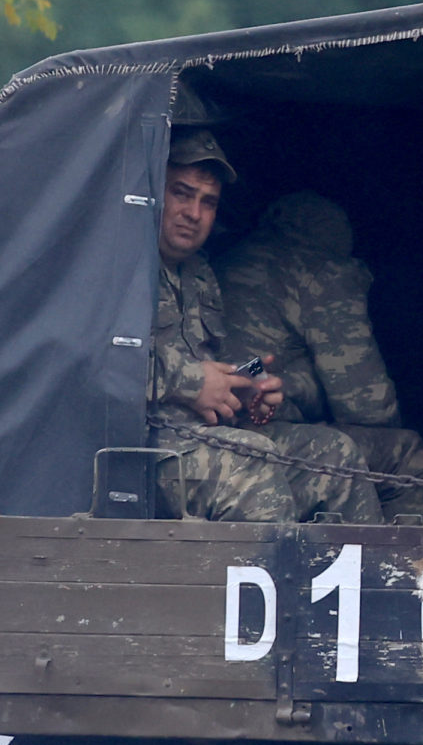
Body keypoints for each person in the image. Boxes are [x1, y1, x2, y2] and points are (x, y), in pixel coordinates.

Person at [148, 130, 384, 525]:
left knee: (336, 456)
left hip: (202, 438)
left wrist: (251, 387)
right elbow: (90, 361)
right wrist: (192, 382)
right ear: (156, 192)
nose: (194, 213)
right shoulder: (116, 265)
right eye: (182, 193)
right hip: (142, 450)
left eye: (208, 202)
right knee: (252, 467)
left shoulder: (200, 273)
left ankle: (376, 585)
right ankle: (278, 585)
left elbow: (219, 366)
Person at [218, 192, 423, 524]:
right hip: (258, 435)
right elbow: (368, 405)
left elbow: (247, 366)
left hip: (215, 428)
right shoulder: (321, 272)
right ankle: (407, 572)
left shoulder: (223, 262)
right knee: (406, 454)